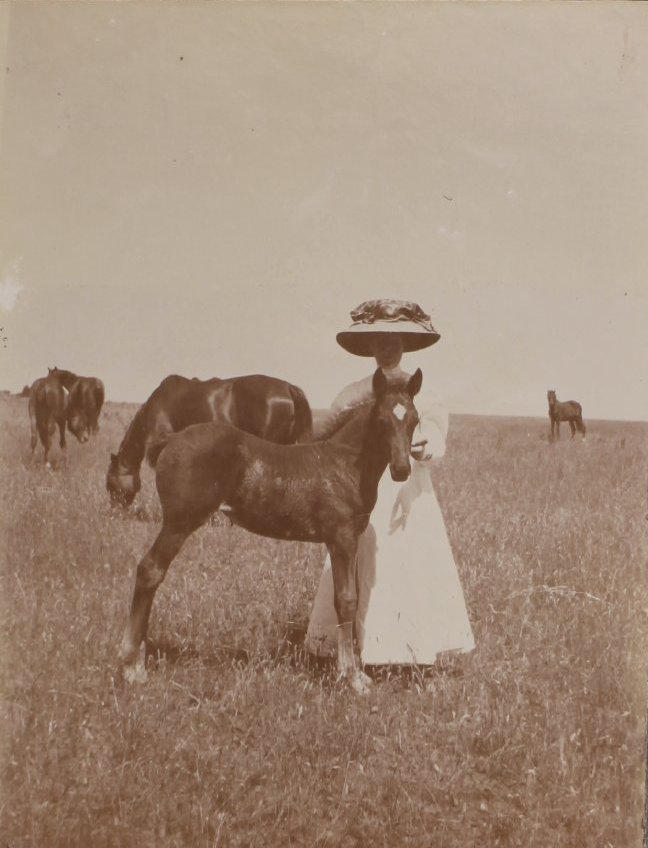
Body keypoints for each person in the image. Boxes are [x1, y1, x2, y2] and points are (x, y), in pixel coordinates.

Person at [305, 299, 475, 667]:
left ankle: (410, 650)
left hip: (406, 490)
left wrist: (422, 445)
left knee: (410, 560)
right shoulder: (354, 392)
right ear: (370, 347)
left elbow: (434, 428)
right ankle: (355, 648)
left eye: (395, 339)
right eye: (380, 340)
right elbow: (328, 437)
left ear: (405, 344)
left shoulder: (422, 390)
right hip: (358, 492)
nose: (387, 347)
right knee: (357, 556)